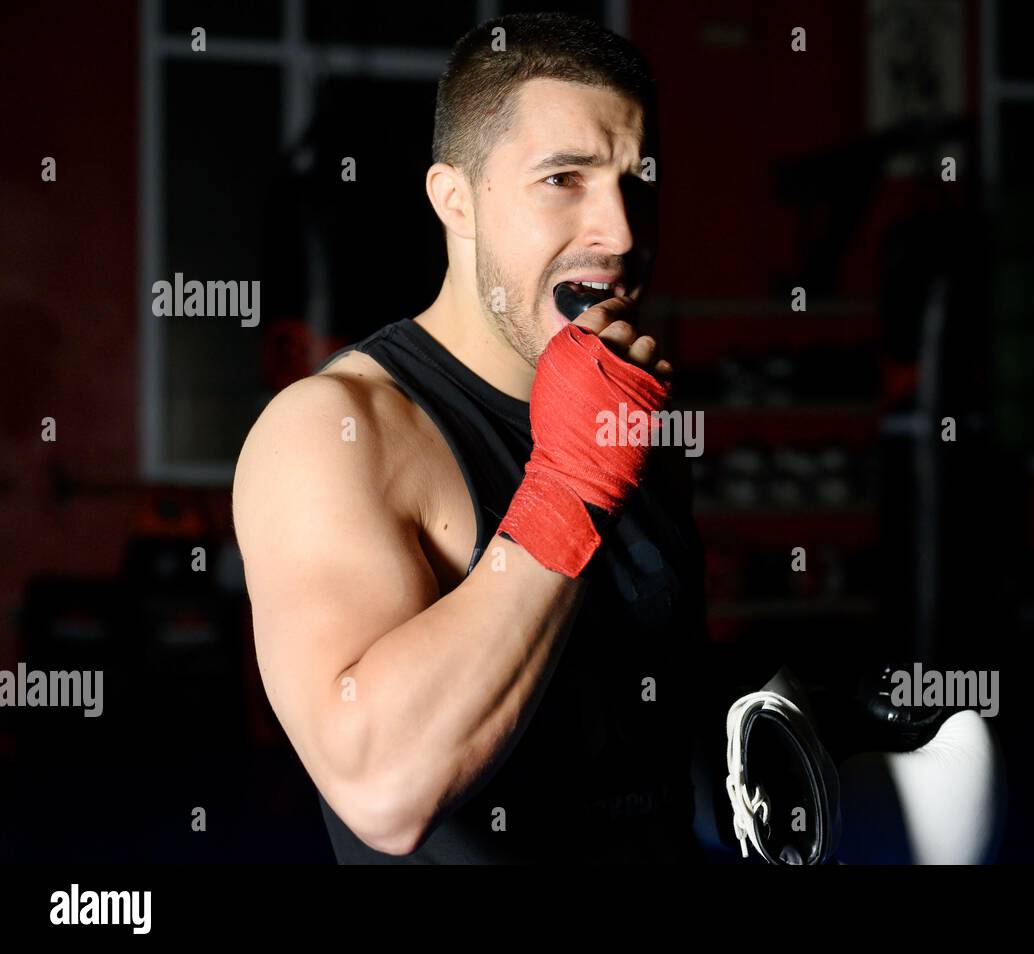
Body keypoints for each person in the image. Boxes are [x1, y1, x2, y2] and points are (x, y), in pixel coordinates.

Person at [232, 12, 708, 863]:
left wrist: (801, 718)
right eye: (565, 178)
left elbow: (633, 714)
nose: (622, 233)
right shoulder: (335, 433)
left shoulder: (631, 410)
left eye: (639, 182)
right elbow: (381, 788)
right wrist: (569, 486)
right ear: (455, 200)